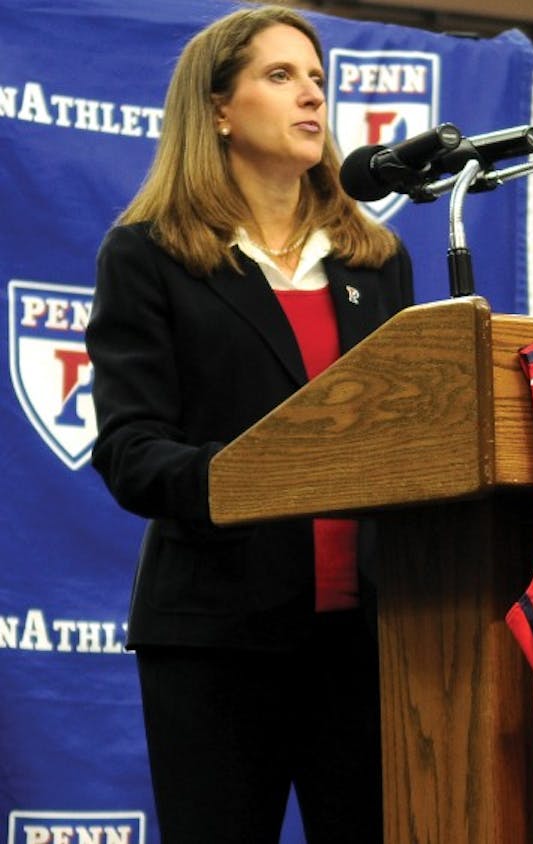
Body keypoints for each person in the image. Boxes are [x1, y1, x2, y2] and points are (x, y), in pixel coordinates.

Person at [85, 6, 413, 842]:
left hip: (369, 642)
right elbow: (130, 449)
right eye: (280, 75)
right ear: (219, 109)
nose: (311, 94)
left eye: (317, 78)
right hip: (217, 640)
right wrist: (260, 475)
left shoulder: (377, 262)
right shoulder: (149, 256)